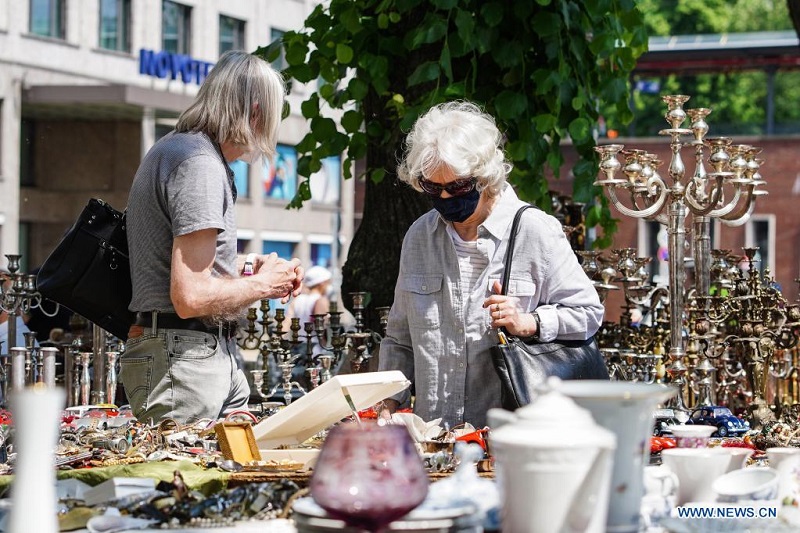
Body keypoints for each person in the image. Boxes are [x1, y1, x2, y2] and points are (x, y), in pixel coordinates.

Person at [377, 101, 605, 428]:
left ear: (486, 177)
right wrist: (386, 403)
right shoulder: (419, 237)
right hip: (436, 441)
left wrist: (528, 322)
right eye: (432, 187)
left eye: (457, 187)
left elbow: (589, 314)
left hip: (510, 443)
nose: (444, 198)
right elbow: (400, 340)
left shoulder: (534, 230)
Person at [121, 50, 304, 424]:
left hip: (191, 353)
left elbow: (185, 263)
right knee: (183, 478)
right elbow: (190, 296)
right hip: (184, 357)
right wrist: (266, 285)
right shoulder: (199, 164)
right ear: (256, 112)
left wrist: (250, 268)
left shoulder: (182, 150)